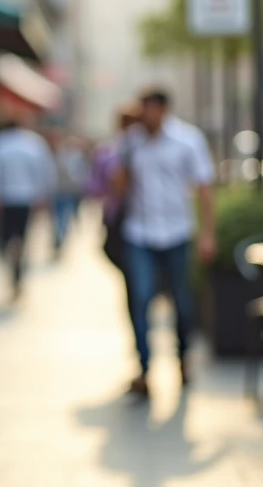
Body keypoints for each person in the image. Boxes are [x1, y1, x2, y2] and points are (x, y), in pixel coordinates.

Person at [113, 88, 217, 397]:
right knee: (140, 298)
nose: (147, 115)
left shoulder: (188, 140)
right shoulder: (131, 141)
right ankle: (144, 369)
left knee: (182, 301)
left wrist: (208, 234)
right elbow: (117, 187)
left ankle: (183, 357)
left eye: (152, 109)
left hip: (177, 232)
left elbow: (204, 189)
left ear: (163, 110)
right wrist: (121, 140)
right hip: (139, 232)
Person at [0, 112, 56, 300]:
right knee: (21, 238)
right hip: (26, 199)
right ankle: (17, 268)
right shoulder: (34, 144)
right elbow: (45, 171)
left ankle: (15, 269)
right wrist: (43, 195)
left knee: (5, 239)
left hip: (5, 199)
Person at [86, 104, 140, 323]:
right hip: (120, 220)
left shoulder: (140, 150)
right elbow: (97, 187)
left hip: (135, 221)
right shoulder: (112, 153)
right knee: (133, 277)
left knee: (135, 278)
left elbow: (94, 189)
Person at [50, 133, 89, 254]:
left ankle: (59, 235)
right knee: (63, 216)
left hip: (61, 190)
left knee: (60, 215)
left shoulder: (62, 155)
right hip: (65, 190)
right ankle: (60, 235)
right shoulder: (72, 157)